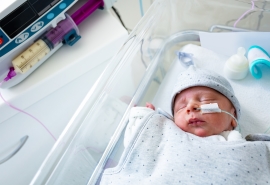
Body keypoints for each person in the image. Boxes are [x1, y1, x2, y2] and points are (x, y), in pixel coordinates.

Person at [146, 65, 242, 140]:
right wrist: (148, 121)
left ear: (232, 115)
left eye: (206, 100)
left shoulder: (238, 144)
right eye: (181, 107)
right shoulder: (169, 134)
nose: (191, 107)